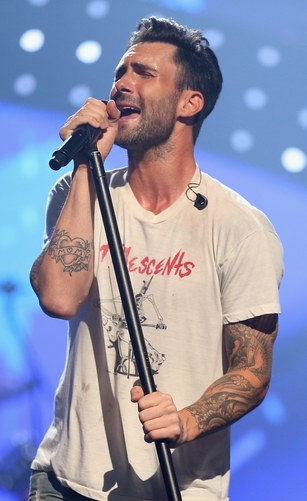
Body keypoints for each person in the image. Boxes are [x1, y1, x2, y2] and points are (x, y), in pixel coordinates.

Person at [28, 16, 283, 501]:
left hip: (179, 489)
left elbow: (251, 371)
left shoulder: (239, 227)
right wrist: (88, 165)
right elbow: (60, 297)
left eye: (143, 73)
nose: (121, 84)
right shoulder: (78, 194)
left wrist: (186, 420)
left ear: (191, 102)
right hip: (66, 483)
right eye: (120, 73)